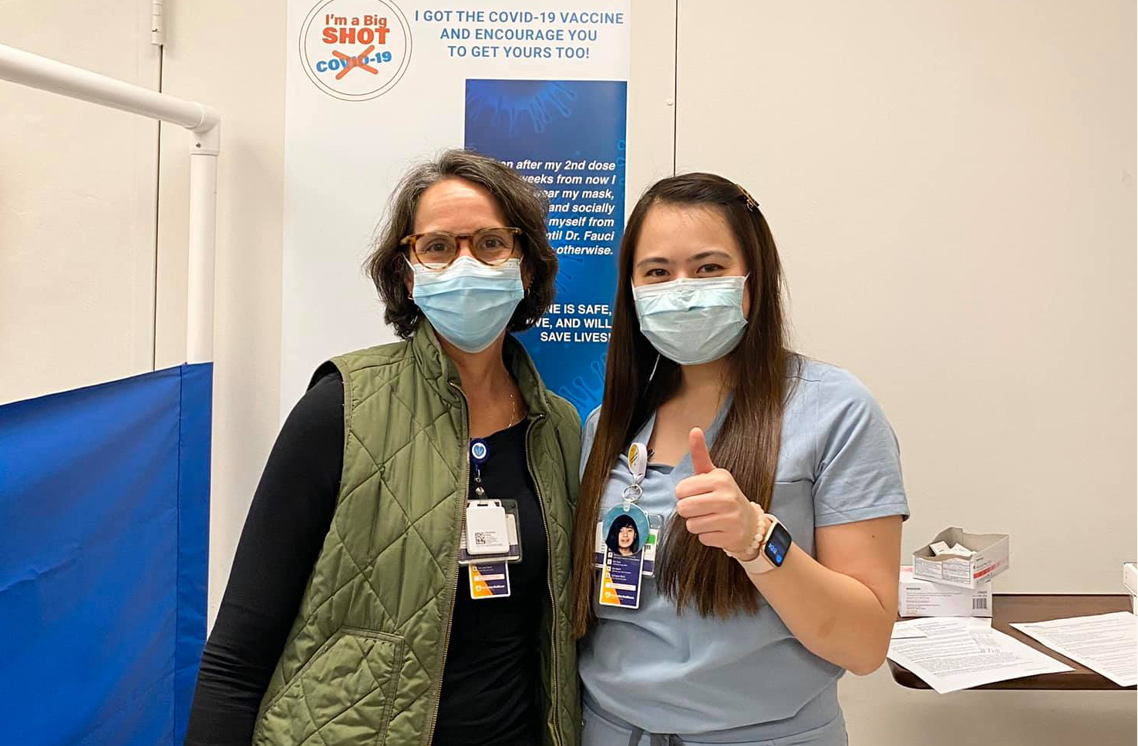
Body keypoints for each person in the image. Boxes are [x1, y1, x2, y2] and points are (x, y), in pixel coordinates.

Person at [185, 149, 582, 746]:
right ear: (405, 271)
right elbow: (238, 656)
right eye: (439, 247)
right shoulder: (341, 407)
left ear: (526, 267)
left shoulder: (559, 428)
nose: (466, 263)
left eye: (492, 243)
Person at [570, 173, 909, 745]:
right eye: (657, 272)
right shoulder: (608, 424)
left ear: (754, 278)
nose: (681, 290)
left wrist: (758, 540)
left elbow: (866, 643)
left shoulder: (835, 411)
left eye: (708, 268)